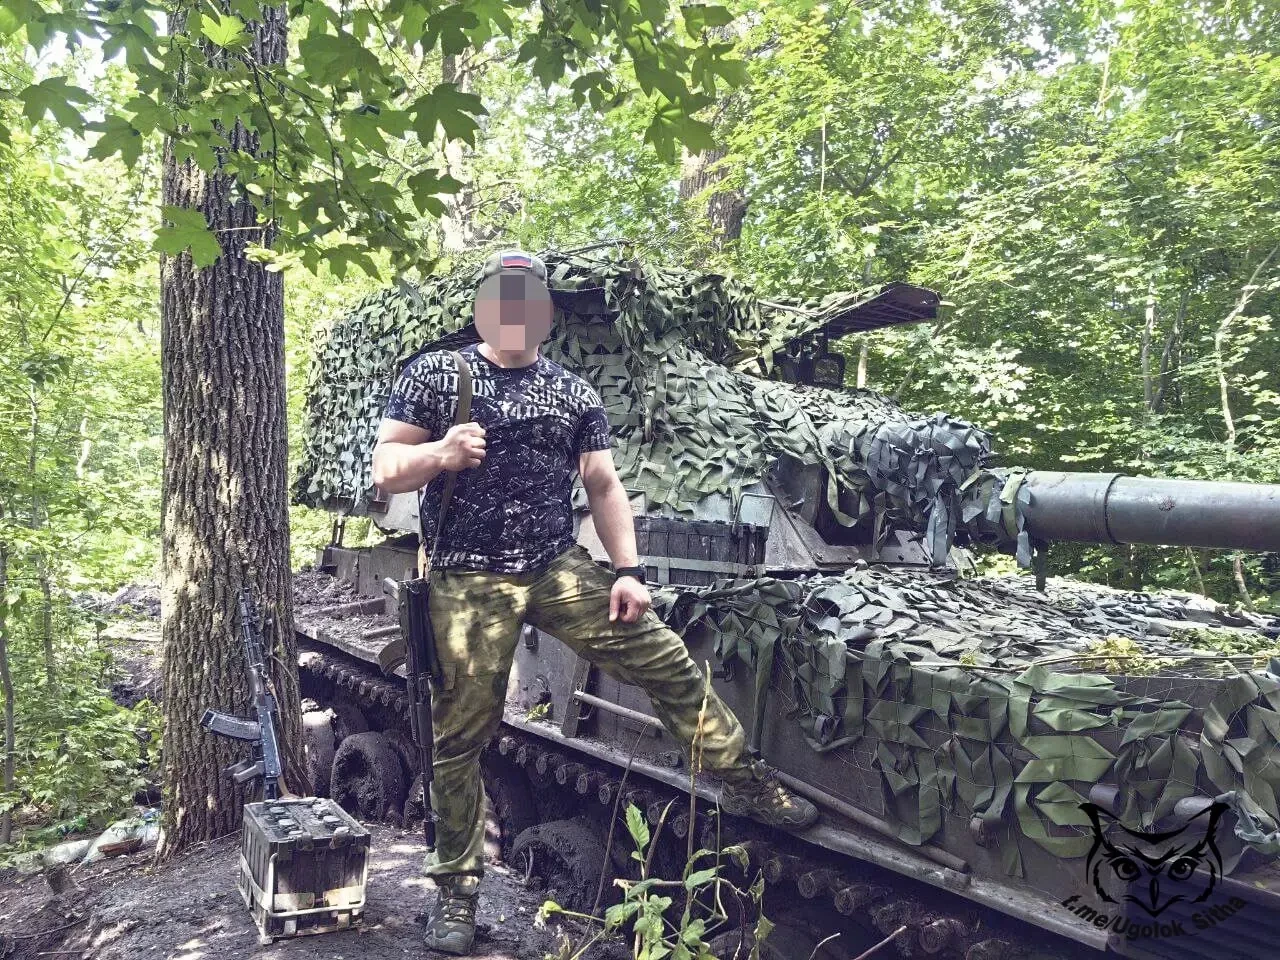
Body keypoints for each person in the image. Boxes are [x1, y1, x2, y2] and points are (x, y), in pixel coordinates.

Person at [372, 249, 818, 956]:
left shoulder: (572, 392)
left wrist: (629, 571)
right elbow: (386, 468)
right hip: (467, 579)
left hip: (555, 568)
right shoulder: (439, 375)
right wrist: (441, 455)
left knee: (662, 656)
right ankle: (456, 894)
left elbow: (604, 486)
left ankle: (743, 779)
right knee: (460, 738)